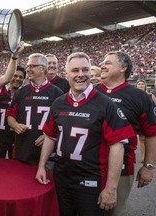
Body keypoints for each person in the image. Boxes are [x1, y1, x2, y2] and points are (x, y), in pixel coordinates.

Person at [36, 52, 136, 216]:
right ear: (66, 74)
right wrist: (41, 166)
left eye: (85, 70)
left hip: (91, 183)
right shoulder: (58, 103)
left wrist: (111, 188)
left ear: (91, 72)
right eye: (75, 70)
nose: (80, 75)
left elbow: (117, 147)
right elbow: (50, 137)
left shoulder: (106, 104)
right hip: (62, 179)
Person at [95, 51, 156, 216]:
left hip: (120, 168)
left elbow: (151, 133)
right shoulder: (91, 91)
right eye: (102, 62)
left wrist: (148, 166)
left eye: (108, 62)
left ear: (123, 67)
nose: (102, 65)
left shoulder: (140, 97)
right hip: (88, 165)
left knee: (113, 210)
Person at [6, 53, 63, 165]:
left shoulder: (57, 93)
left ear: (42, 69)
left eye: (32, 66)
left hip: (48, 154)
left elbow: (63, 122)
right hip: (23, 151)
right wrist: (16, 125)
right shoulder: (21, 92)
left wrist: (50, 136)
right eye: (28, 66)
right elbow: (10, 115)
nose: (28, 69)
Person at [0, 66, 26, 158]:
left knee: (13, 169)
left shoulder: (24, 95)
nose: (17, 79)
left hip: (15, 139)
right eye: (15, 76)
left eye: (21, 77)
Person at [135, 79, 149, 163]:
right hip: (139, 120)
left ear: (145, 86)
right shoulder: (132, 96)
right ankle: (143, 157)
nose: (140, 85)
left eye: (142, 84)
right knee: (142, 140)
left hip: (149, 119)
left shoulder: (150, 96)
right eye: (139, 84)